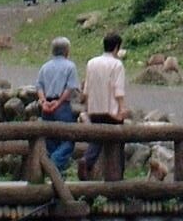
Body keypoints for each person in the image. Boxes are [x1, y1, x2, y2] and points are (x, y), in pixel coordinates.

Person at [80, 32, 127, 181]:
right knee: (118, 141)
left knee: (97, 138)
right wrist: (122, 109)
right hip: (111, 112)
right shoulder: (117, 65)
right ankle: (117, 174)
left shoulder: (91, 63)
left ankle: (87, 161)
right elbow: (118, 90)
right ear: (116, 47)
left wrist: (86, 106)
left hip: (94, 110)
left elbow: (86, 89)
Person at [36, 37, 79, 174]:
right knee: (69, 138)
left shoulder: (45, 67)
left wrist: (44, 101)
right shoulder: (70, 66)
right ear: (66, 51)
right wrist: (59, 102)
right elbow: (70, 88)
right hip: (62, 106)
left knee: (50, 139)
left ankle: (56, 174)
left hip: (47, 106)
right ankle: (54, 163)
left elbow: (39, 86)